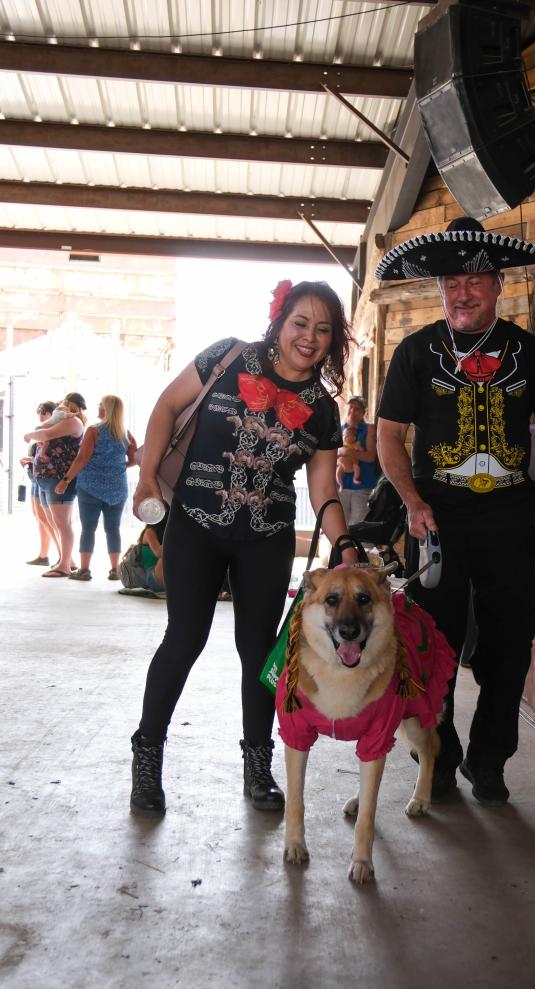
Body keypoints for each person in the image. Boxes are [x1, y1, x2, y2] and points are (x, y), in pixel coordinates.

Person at [375, 217, 535, 805]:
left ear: (498, 284)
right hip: (437, 515)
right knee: (433, 641)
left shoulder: (530, 351)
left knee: (510, 640)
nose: (461, 294)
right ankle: (438, 760)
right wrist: (413, 502)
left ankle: (489, 760)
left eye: (474, 280)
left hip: (507, 517)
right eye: (451, 282)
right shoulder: (416, 352)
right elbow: (389, 437)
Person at [128, 279, 357, 819]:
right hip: (195, 524)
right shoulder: (225, 357)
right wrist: (145, 480)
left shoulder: (323, 410)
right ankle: (147, 757)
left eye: (323, 330)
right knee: (184, 638)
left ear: (333, 340)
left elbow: (323, 491)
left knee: (259, 655)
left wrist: (344, 544)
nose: (309, 337)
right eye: (301, 323)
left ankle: (258, 765)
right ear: (280, 320)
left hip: (266, 538)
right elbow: (165, 408)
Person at [55, 395, 138, 581]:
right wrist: (117, 467)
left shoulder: (94, 430)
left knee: (88, 528)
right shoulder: (126, 433)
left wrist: (66, 480)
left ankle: (84, 570)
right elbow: (134, 459)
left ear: (107, 409)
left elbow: (82, 459)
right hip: (117, 489)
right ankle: (115, 569)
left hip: (90, 487)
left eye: (100, 405)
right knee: (113, 529)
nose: (98, 407)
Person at [23, 392, 87, 577]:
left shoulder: (73, 422)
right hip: (46, 477)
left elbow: (46, 433)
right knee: (53, 521)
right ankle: (65, 559)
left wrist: (30, 434)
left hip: (58, 478)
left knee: (62, 523)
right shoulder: (64, 421)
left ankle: (65, 565)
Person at [21, 400, 58, 566]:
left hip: (45, 479)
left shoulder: (52, 432)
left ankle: (62, 555)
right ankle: (43, 555)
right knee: (40, 518)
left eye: (45, 412)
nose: (41, 415)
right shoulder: (41, 431)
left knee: (48, 519)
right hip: (35, 477)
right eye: (40, 412)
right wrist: (29, 460)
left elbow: (51, 457)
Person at [336, 395, 379, 526]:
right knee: (340, 525)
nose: (353, 411)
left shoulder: (369, 429)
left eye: (357, 409)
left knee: (358, 526)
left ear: (363, 413)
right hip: (340, 486)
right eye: (350, 407)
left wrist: (347, 451)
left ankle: (359, 547)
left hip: (362, 485)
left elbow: (371, 456)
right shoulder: (338, 430)